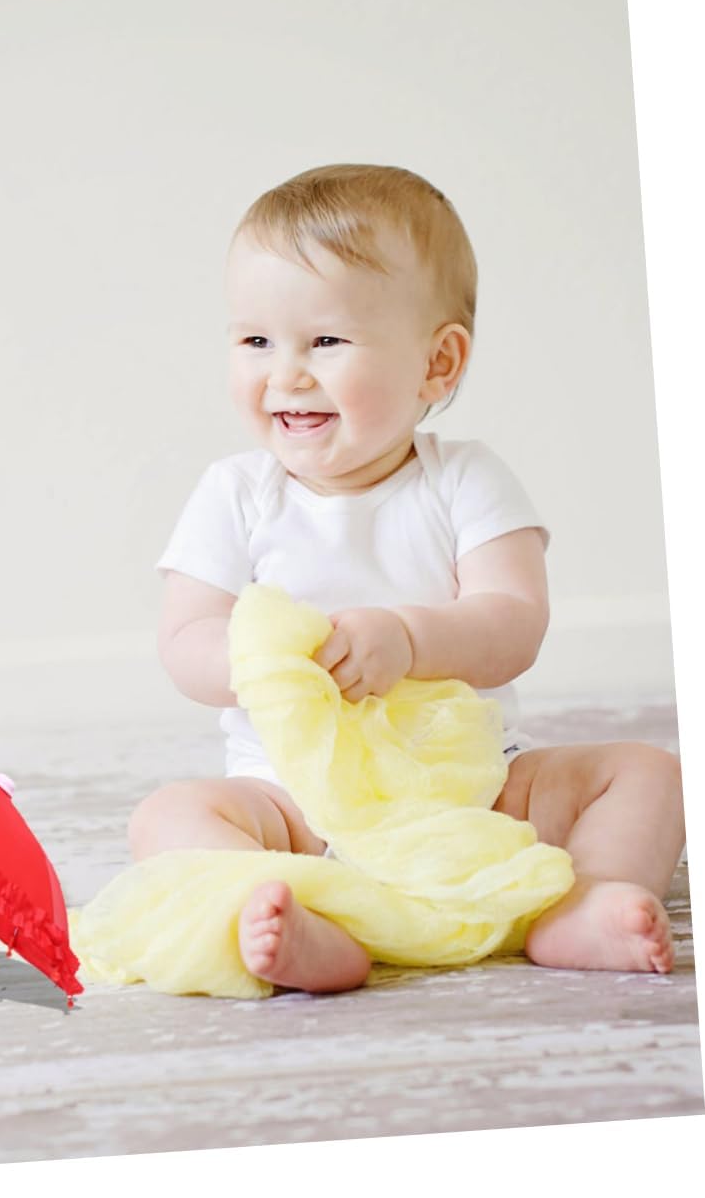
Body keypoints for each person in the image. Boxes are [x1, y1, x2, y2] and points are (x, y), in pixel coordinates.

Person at [131, 163, 684, 994]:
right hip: (295, 801)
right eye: (255, 341)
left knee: (648, 772)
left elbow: (513, 619)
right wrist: (262, 662)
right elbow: (185, 639)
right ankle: (305, 915)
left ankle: (586, 898)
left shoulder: (463, 479)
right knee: (166, 817)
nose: (285, 373)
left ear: (437, 363)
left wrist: (408, 638)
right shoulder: (234, 493)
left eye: (324, 341)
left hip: (472, 791)